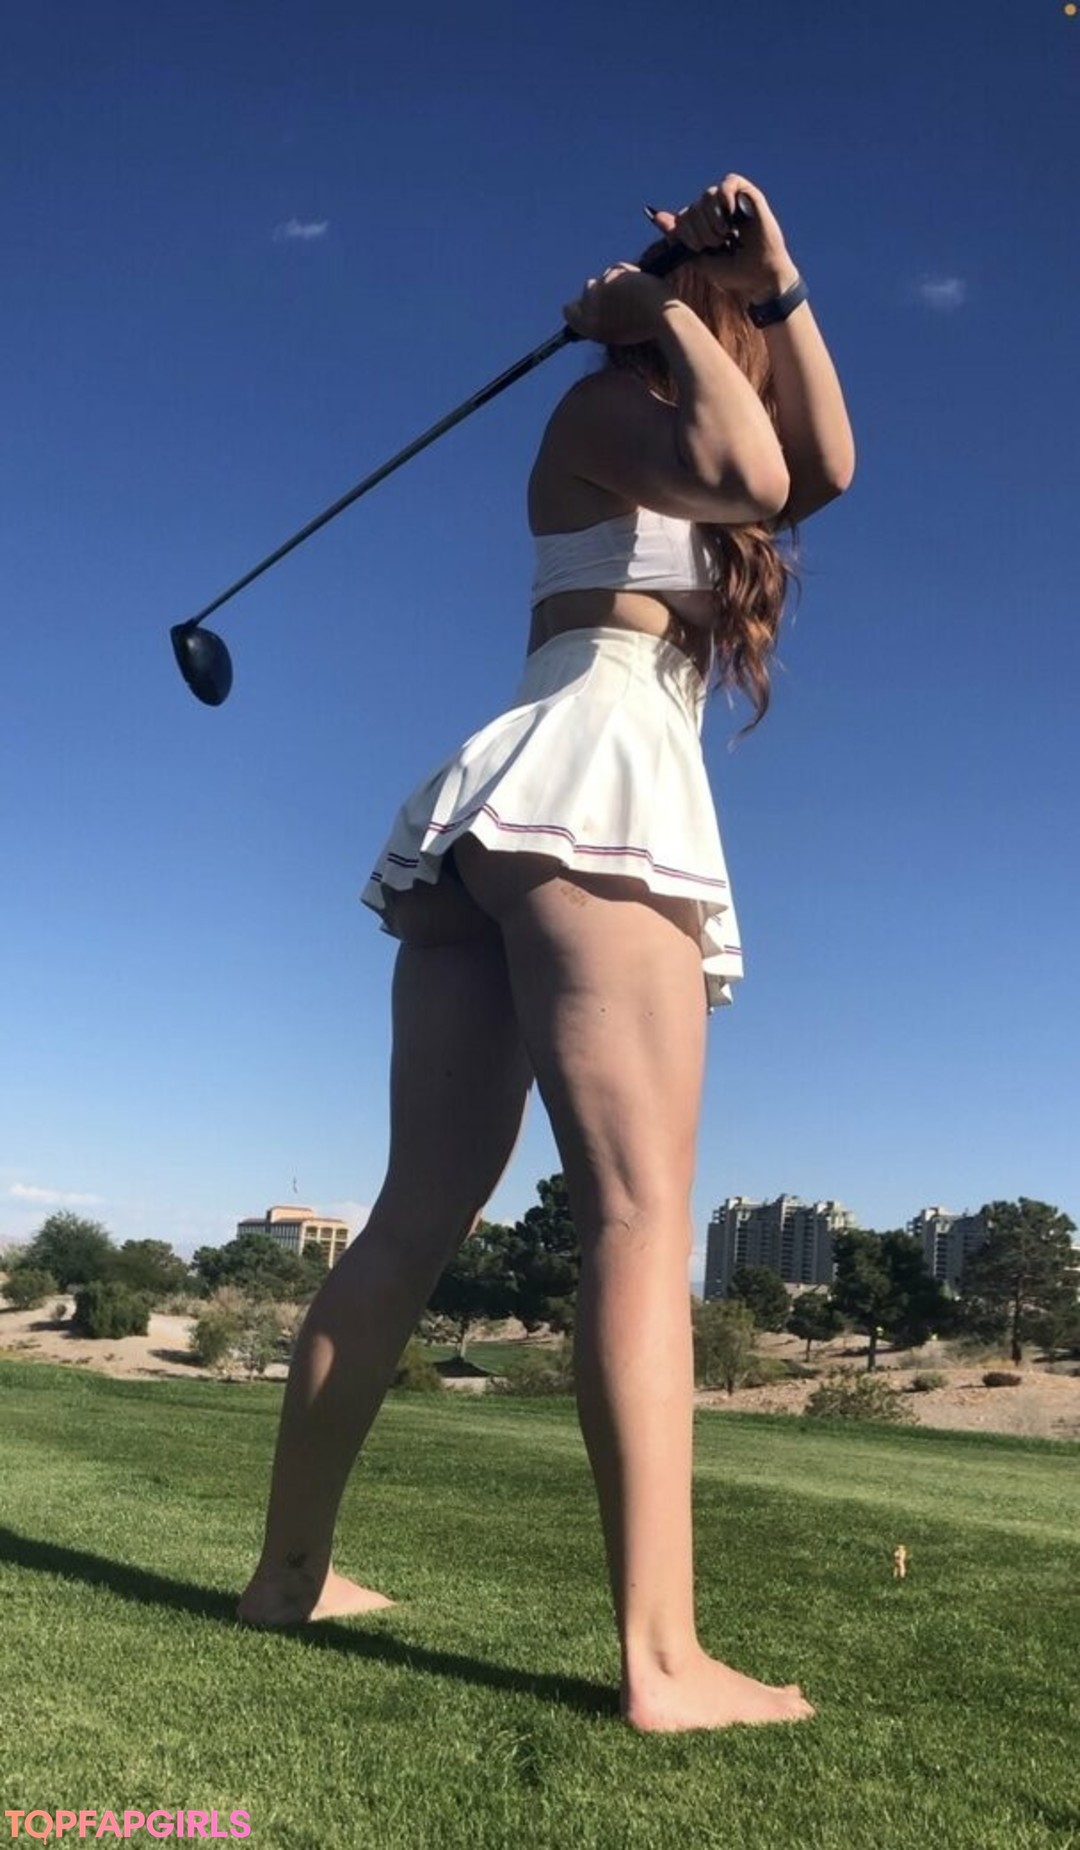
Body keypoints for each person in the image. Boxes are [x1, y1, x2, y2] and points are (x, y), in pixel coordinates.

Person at [237, 173, 855, 1733]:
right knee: (638, 1215)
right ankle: (665, 1661)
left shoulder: (675, 434)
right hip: (593, 782)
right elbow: (762, 466)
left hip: (508, 812)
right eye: (733, 315)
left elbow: (821, 469)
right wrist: (650, 312)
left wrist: (780, 278)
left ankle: (289, 1574)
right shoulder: (604, 408)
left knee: (424, 1206)